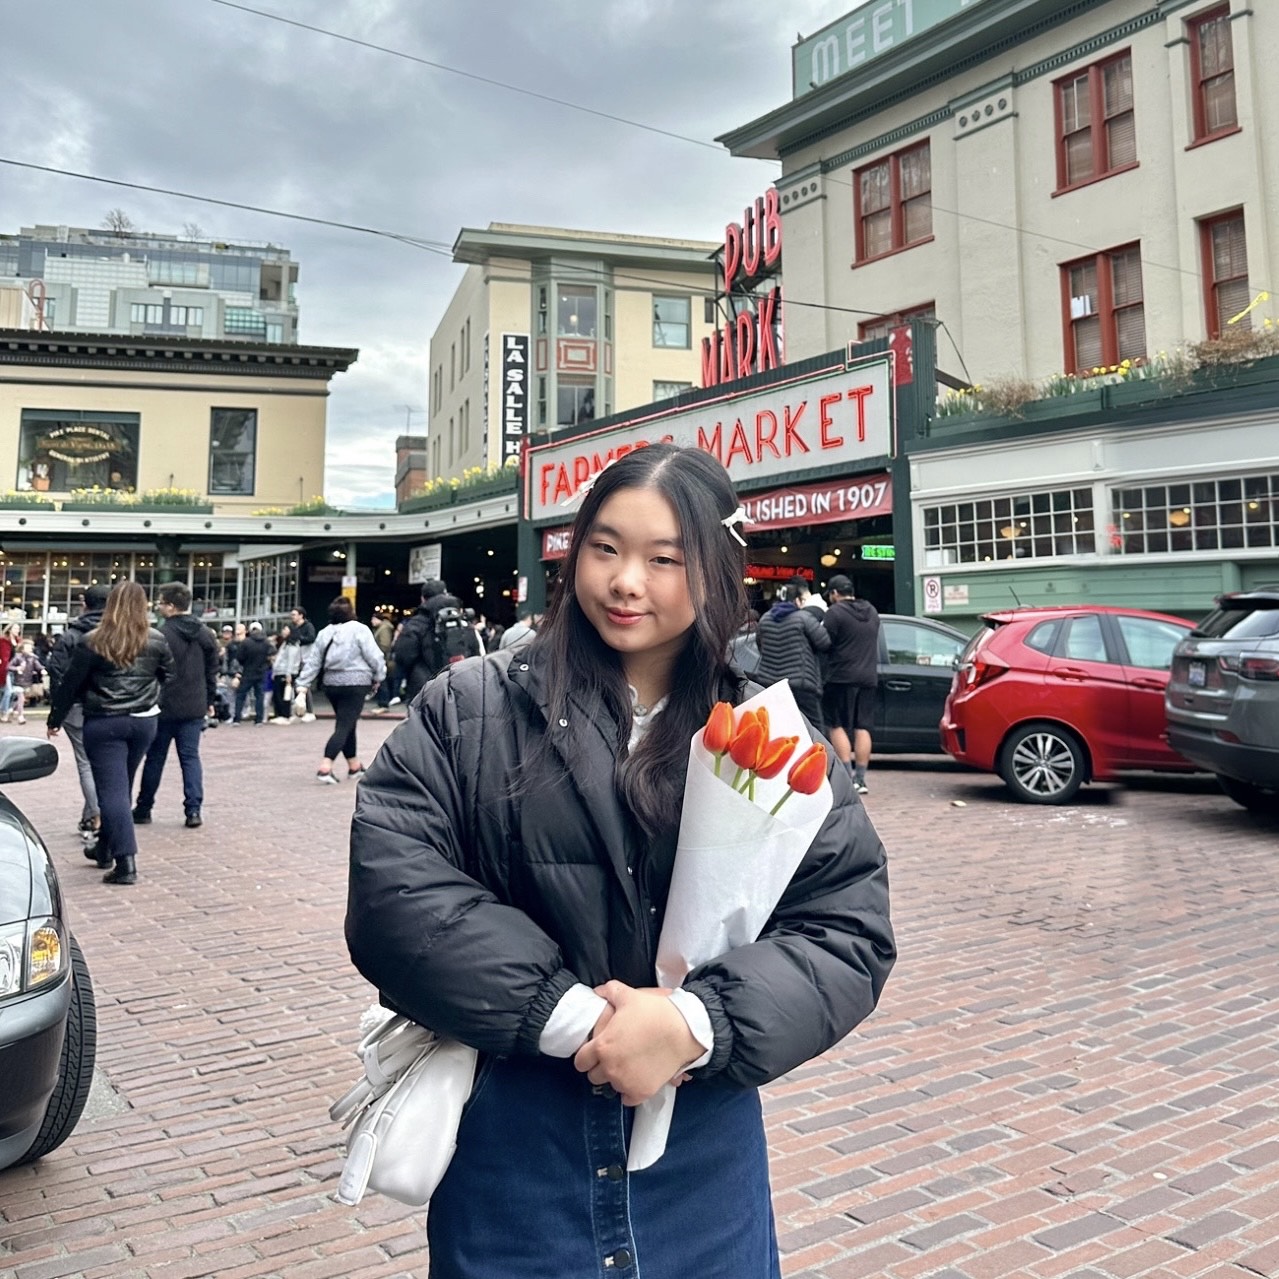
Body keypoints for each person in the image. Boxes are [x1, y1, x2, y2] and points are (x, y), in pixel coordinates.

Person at [346, 443, 895, 1277]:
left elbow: (845, 929)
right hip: (513, 1135)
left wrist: (691, 1023)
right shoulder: (469, 707)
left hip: (699, 1146)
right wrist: (576, 1020)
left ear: (715, 571)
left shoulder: (773, 741)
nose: (625, 580)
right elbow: (396, 888)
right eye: (605, 548)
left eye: (663, 558)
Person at [46, 581, 174, 885]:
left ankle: (125, 862)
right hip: (143, 721)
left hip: (104, 721)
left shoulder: (93, 641)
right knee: (119, 785)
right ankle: (104, 848)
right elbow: (169, 676)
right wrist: (151, 697)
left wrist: (55, 718)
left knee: (113, 790)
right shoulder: (156, 639)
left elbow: (72, 684)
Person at [132, 581, 218, 829]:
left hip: (163, 704)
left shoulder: (162, 634)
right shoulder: (205, 633)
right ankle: (193, 810)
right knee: (190, 757)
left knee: (155, 757)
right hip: (195, 703)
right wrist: (209, 700)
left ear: (170, 606)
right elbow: (212, 670)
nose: (158, 607)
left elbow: (151, 670)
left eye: (160, 602)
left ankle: (144, 806)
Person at [296, 596, 386, 784]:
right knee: (344, 725)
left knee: (347, 723)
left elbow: (314, 661)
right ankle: (325, 766)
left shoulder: (324, 633)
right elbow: (374, 655)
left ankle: (354, 765)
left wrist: (302, 684)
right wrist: (380, 675)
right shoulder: (360, 629)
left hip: (331, 684)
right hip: (356, 682)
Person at [46, 584, 110, 846]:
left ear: (85, 604)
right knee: (100, 764)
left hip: (75, 707)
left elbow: (58, 673)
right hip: (107, 705)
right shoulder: (117, 635)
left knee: (86, 763)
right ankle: (92, 815)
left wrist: (56, 715)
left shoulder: (71, 635)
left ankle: (96, 815)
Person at [821, 574, 881, 796]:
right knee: (862, 726)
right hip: (868, 678)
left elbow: (824, 642)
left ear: (835, 594)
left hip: (840, 677)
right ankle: (861, 779)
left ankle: (846, 776)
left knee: (836, 725)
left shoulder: (835, 613)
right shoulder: (872, 611)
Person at [753, 578, 831, 732]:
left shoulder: (765, 619)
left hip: (770, 684)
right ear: (797, 600)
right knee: (813, 730)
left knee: (777, 729)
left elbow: (760, 645)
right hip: (801, 684)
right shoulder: (803, 618)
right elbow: (824, 642)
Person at [392, 578, 465, 703]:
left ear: (423, 598)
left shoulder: (417, 623)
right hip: (458, 684)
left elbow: (402, 655)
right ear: (446, 594)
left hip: (423, 686)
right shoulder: (464, 623)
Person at [232, 621, 270, 724]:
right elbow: (271, 654)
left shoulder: (246, 642)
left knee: (240, 696)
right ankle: (259, 719)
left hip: (248, 672)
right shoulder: (266, 642)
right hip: (261, 672)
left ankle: (237, 719)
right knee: (259, 696)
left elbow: (239, 657)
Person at [269, 622, 302, 722]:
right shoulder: (285, 643)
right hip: (279, 671)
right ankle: (280, 714)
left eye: (285, 629)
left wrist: (288, 674)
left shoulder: (292, 645)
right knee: (278, 694)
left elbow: (291, 661)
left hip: (285, 672)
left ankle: (285, 715)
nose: (283, 631)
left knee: (284, 694)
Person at [6, 640, 46, 725]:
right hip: (17, 682)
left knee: (20, 700)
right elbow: (9, 666)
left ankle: (9, 711)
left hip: (27, 682)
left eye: (30, 648)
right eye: (27, 648)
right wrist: (17, 669)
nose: (29, 650)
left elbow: (38, 666)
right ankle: (20, 716)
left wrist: (42, 670)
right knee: (21, 698)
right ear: (22, 649)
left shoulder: (33, 658)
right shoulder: (18, 657)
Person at [289, 606, 317, 721]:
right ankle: (299, 711)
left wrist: (299, 638)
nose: (292, 617)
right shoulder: (293, 627)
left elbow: (311, 638)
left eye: (294, 614)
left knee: (304, 685)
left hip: (306, 658)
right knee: (296, 684)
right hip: (296, 659)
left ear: (301, 615)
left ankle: (309, 711)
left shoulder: (308, 626)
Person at [371, 609, 395, 710]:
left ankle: (384, 702)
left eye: (373, 619)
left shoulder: (384, 629)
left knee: (382, 680)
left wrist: (378, 654)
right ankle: (382, 702)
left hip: (383, 659)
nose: (372, 621)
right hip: (382, 658)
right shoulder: (382, 628)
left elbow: (385, 645)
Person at [0, 622, 21, 722]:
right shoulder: (3, 641)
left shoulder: (18, 641)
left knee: (13, 692)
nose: (18, 630)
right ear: (9, 630)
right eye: (16, 628)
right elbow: (4, 657)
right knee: (8, 691)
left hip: (16, 670)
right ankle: (4, 713)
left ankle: (6, 711)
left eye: (18, 628)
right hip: (6, 668)